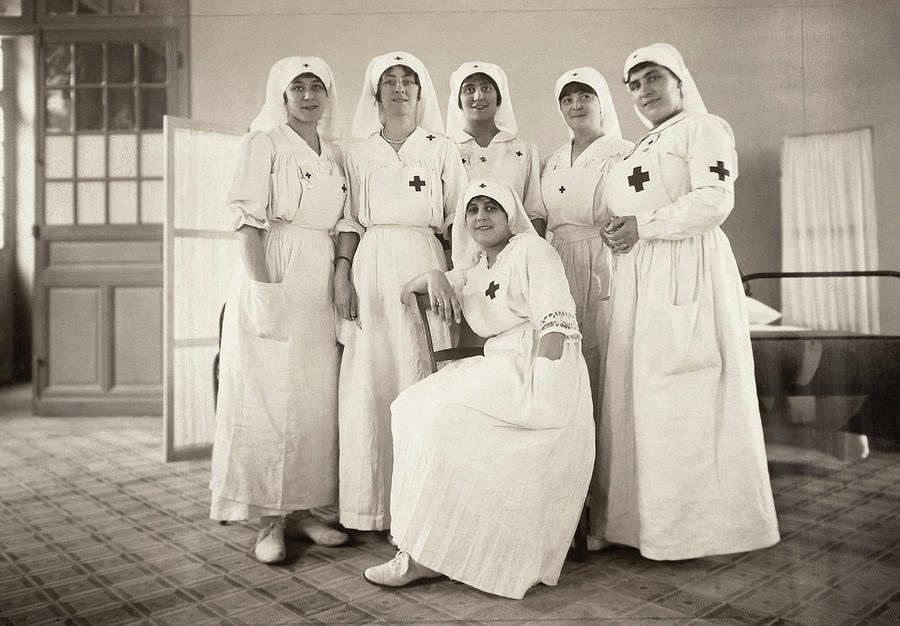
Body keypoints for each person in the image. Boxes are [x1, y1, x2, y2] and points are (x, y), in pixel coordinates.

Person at [362, 178, 595, 599]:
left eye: (492, 207)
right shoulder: (474, 270)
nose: (482, 216)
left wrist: (544, 396)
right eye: (473, 209)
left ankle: (427, 556)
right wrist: (435, 274)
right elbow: (406, 289)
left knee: (439, 420)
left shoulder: (532, 251)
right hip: (499, 366)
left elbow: (556, 323)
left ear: (510, 215)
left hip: (542, 370)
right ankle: (425, 547)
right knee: (411, 407)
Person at [597, 43, 780, 559]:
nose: (644, 91)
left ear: (679, 81)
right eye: (634, 84)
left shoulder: (705, 127)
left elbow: (715, 200)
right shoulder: (637, 148)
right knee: (637, 397)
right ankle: (638, 524)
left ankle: (694, 531)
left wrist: (644, 226)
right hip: (641, 274)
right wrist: (620, 230)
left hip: (687, 271)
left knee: (681, 395)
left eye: (654, 78)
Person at [209, 56, 350, 564]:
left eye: (318, 87)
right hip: (273, 269)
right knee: (270, 395)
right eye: (299, 87)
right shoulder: (263, 143)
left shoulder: (333, 153)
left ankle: (305, 509)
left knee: (314, 396)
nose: (309, 96)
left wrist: (339, 272)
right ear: (281, 94)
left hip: (317, 280)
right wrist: (263, 288)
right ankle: (269, 518)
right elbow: (246, 220)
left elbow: (342, 223)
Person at [334, 51, 467, 532]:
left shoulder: (441, 148)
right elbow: (347, 217)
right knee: (371, 379)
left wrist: (460, 279)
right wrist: (342, 271)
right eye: (388, 80)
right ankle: (370, 507)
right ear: (376, 93)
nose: (398, 88)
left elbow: (460, 221)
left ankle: (424, 512)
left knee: (420, 375)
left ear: (420, 90)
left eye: (408, 80)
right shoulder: (356, 151)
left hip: (424, 262)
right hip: (371, 266)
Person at [541, 67, 633, 410]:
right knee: (565, 345)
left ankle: (606, 439)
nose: (575, 105)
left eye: (585, 96)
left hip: (604, 256)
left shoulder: (622, 152)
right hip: (559, 257)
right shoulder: (552, 160)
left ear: (601, 103)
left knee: (603, 344)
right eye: (567, 99)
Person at [446, 61, 546, 235]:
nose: (478, 97)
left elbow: (534, 211)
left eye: (486, 88)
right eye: (469, 89)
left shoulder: (522, 150)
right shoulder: (447, 149)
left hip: (515, 250)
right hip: (462, 253)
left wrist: (534, 253)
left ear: (499, 97)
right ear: (458, 100)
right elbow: (446, 214)